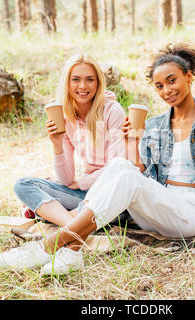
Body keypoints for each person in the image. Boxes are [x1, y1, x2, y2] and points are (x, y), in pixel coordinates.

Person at [0, 43, 195, 275]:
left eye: (172, 80)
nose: (166, 90)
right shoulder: (157, 125)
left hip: (189, 213)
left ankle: (52, 247)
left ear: (188, 76)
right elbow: (139, 174)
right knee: (120, 165)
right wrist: (131, 142)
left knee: (119, 168)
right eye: (159, 85)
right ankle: (72, 247)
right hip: (154, 205)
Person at [13, 53, 126, 227]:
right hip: (85, 193)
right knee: (23, 185)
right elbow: (66, 180)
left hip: (112, 191)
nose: (83, 86)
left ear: (98, 83)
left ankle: (57, 217)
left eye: (90, 79)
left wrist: (80, 183)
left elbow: (117, 167)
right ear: (67, 83)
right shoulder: (65, 117)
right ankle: (74, 226)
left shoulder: (112, 110)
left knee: (118, 209)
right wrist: (57, 145)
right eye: (76, 79)